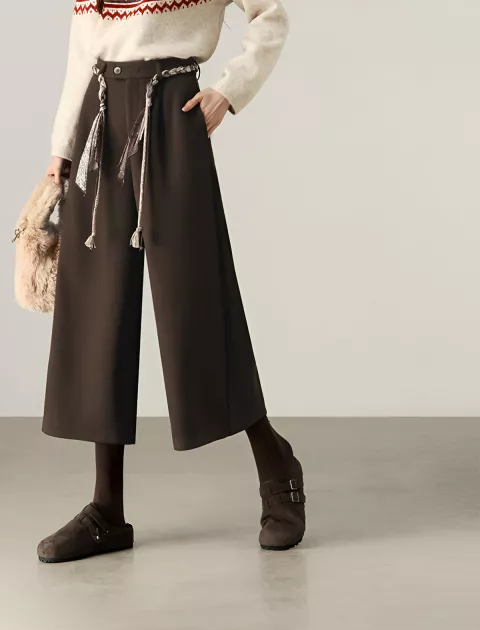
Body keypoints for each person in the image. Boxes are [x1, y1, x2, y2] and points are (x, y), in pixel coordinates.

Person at [37, 0, 305, 563]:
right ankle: (107, 509)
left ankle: (275, 461)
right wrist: (61, 147)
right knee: (98, 309)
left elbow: (270, 15)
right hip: (98, 119)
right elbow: (83, 47)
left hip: (170, 109)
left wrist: (230, 90)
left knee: (195, 297)